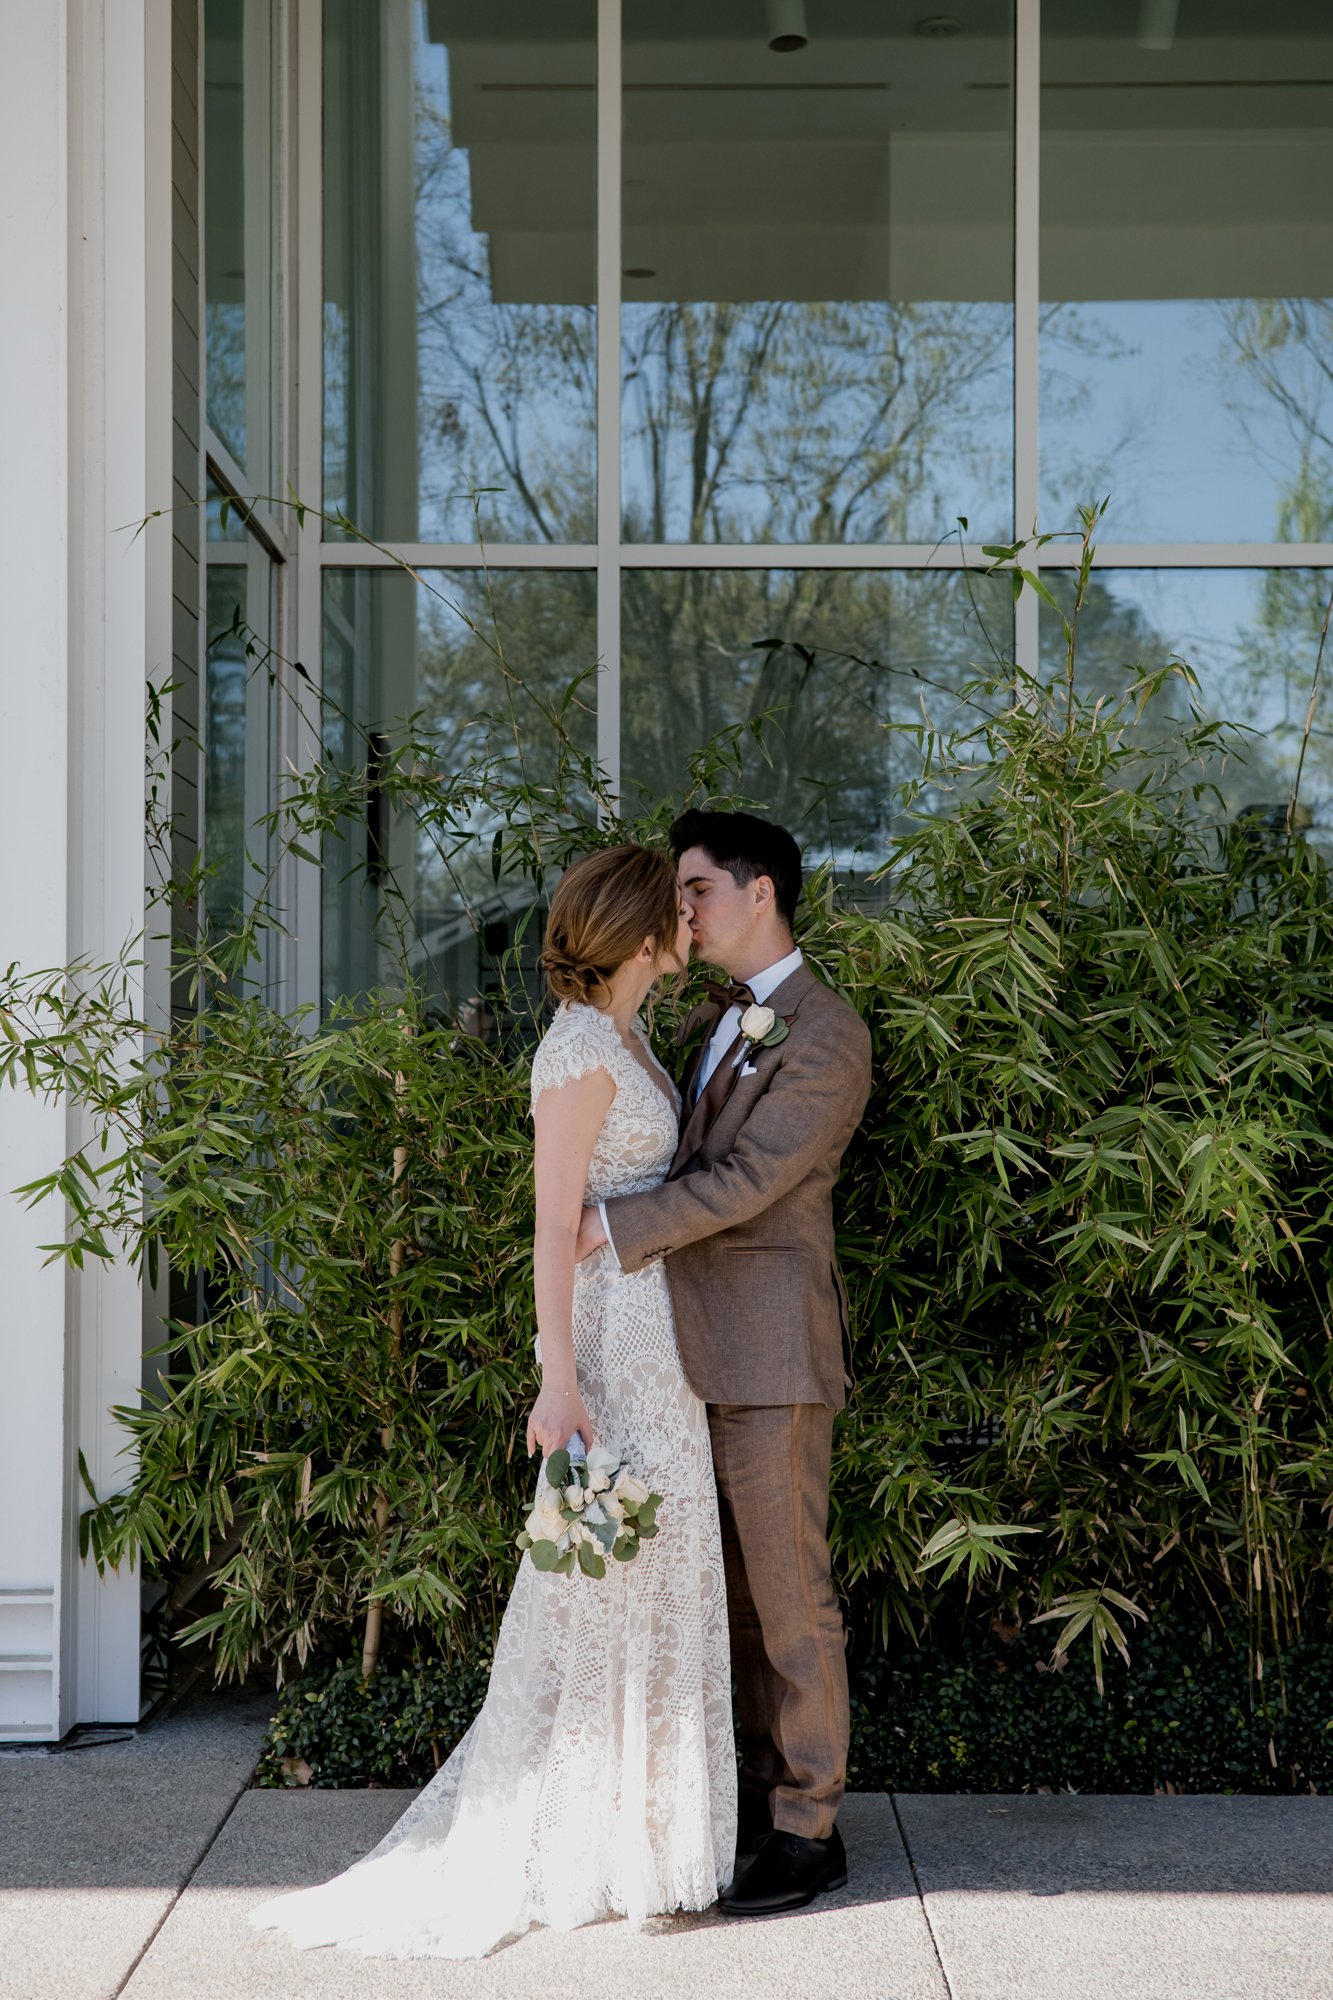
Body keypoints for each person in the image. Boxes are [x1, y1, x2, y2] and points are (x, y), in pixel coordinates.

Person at [250, 843, 735, 1960]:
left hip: (664, 1345)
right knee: (607, 1583)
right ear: (641, 933)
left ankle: (647, 1841)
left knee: (662, 1574)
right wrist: (557, 1378)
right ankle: (592, 1840)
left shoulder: (629, 1035)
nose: (689, 922)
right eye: (676, 909)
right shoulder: (575, 1053)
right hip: (612, 1352)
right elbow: (548, 1226)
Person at [576, 809, 872, 1918]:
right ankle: (749, 1797)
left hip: (771, 1352)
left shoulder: (826, 1031)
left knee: (792, 1597)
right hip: (681, 1352)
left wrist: (610, 1221)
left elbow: (749, 1179)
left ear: (761, 893)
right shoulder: (710, 1018)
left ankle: (809, 1826)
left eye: (695, 888)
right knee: (733, 1599)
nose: (679, 909)